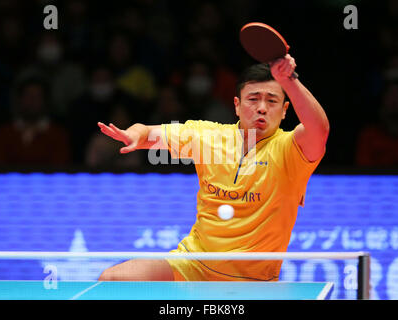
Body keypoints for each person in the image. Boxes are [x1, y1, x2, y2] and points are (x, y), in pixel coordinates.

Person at [97, 54, 329, 281]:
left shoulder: (291, 150)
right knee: (113, 278)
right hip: (192, 265)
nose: (261, 108)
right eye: (253, 99)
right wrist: (134, 135)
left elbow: (319, 130)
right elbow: (148, 132)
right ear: (237, 105)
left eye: (271, 100)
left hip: (253, 281)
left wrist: (290, 81)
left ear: (285, 109)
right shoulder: (209, 136)